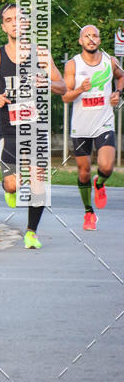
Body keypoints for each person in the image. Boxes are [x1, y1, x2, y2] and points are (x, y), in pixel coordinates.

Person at [0, 3, 66, 249]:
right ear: (4, 26)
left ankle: (31, 233)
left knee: (37, 182)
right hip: (9, 128)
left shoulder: (42, 54)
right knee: (13, 184)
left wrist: (47, 83)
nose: (15, 23)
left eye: (20, 18)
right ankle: (9, 188)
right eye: (9, 19)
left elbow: (63, 87)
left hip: (36, 128)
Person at [62, 24, 124, 230]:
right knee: (84, 171)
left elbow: (121, 77)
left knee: (107, 167)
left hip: (104, 122)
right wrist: (80, 89)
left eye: (95, 35)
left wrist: (118, 93)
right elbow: (65, 96)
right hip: (80, 126)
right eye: (86, 36)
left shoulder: (110, 61)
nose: (91, 39)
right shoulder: (73, 65)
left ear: (99, 40)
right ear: (80, 41)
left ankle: (100, 183)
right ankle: (89, 212)